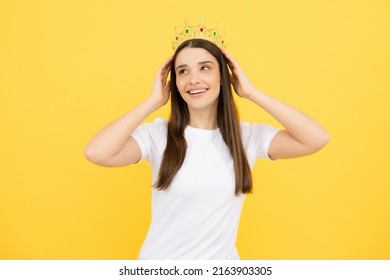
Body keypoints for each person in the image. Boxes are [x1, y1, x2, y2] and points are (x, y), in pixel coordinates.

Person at [84, 38, 330, 260]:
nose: (194, 79)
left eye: (205, 68)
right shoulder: (158, 135)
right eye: (183, 71)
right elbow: (97, 152)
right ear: (175, 83)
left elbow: (316, 139)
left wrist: (251, 93)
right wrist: (153, 102)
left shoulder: (248, 138)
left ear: (223, 77)